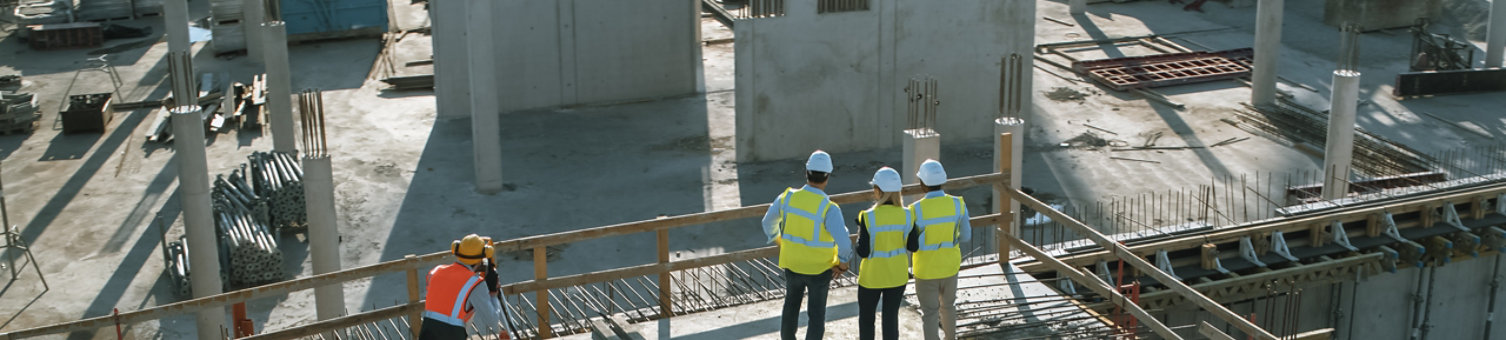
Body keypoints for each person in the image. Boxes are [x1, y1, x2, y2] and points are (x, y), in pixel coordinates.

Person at [761, 150, 854, 340]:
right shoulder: (829, 208)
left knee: (791, 307)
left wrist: (778, 240)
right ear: (827, 177)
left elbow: (767, 222)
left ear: (806, 172)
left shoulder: (787, 197)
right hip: (820, 270)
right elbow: (844, 244)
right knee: (816, 315)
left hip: (792, 265)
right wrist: (843, 264)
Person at [908, 159, 971, 340]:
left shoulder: (914, 210)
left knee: (929, 313)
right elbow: (966, 236)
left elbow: (910, 244)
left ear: (922, 184)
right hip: (950, 266)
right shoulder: (958, 204)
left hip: (926, 270)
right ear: (943, 181)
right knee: (949, 307)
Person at [853, 167, 915, 340]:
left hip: (871, 277)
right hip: (897, 275)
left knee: (866, 320)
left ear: (878, 190)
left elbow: (863, 251)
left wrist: (860, 230)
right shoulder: (908, 215)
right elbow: (914, 246)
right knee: (890, 318)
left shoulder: (867, 217)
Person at [420, 234, 502, 339]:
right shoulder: (476, 283)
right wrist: (493, 295)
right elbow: (492, 321)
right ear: (481, 259)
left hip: (427, 331)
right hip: (452, 334)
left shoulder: (436, 271)